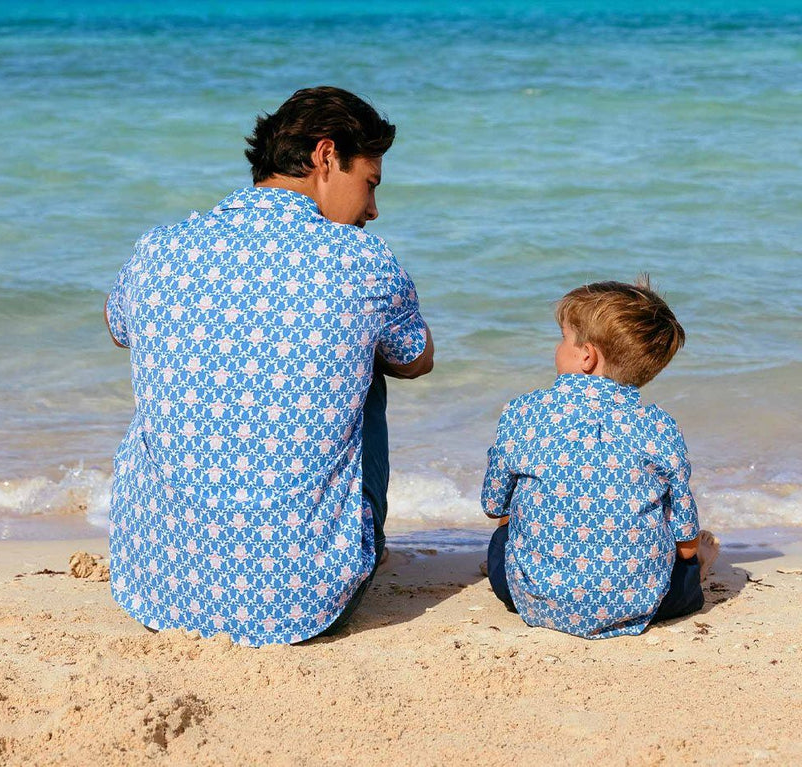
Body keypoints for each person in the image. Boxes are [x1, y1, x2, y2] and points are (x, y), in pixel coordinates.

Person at [104, 86, 433, 645]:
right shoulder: (362, 258)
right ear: (326, 157)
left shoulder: (159, 246)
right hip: (304, 599)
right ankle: (332, 545)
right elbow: (418, 359)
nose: (373, 210)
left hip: (158, 587)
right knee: (375, 362)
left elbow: (119, 328)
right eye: (370, 183)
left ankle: (183, 539)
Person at [481, 277, 718, 638]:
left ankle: (535, 569)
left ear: (587, 356)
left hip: (536, 601)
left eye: (563, 338)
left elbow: (493, 504)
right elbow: (684, 543)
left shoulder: (523, 412)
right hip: (640, 604)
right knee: (684, 572)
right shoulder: (660, 427)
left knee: (503, 536)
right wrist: (690, 555)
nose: (557, 347)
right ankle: (699, 568)